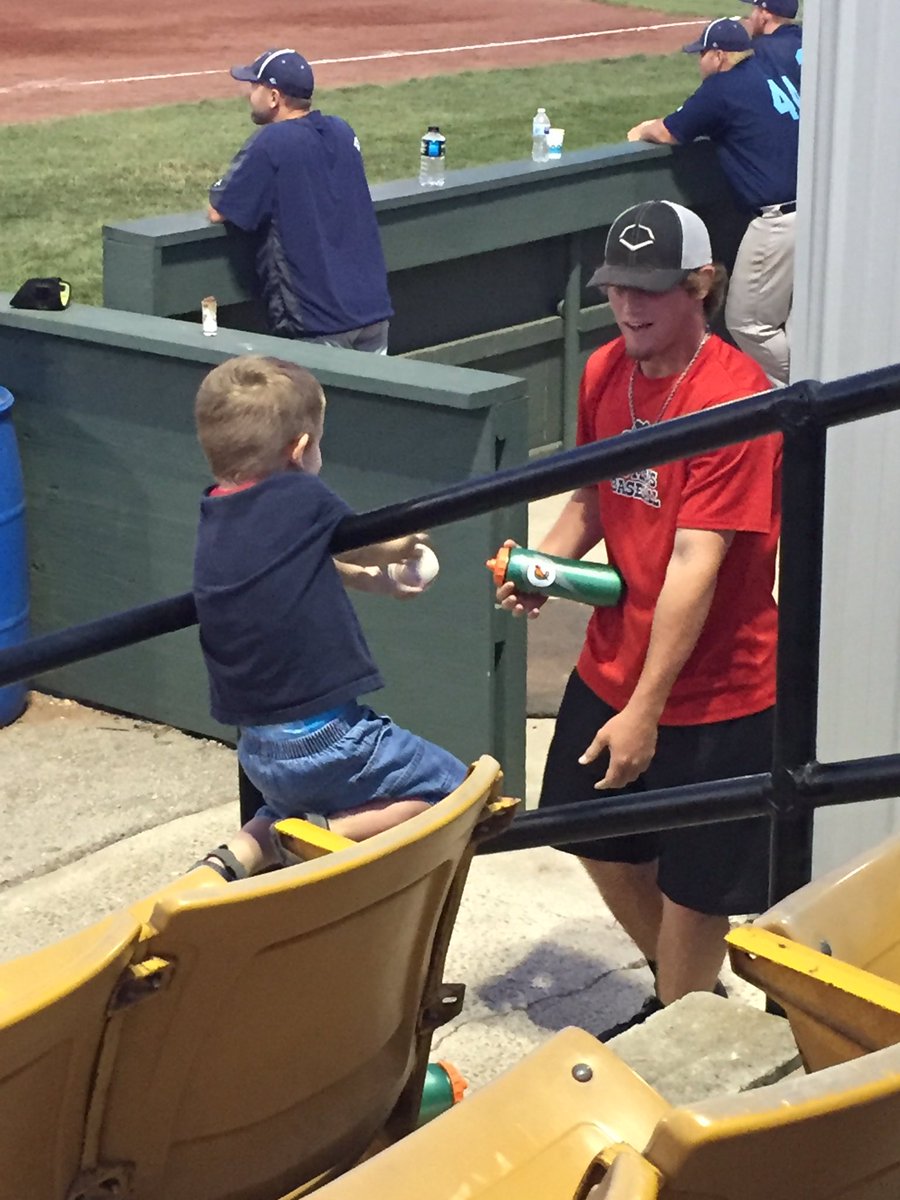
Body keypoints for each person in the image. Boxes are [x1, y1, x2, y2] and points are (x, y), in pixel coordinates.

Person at [496, 200, 781, 1037]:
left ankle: (678, 1030)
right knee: (588, 834)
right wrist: (545, 565)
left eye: (649, 290)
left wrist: (645, 711)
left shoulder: (736, 401)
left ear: (702, 285)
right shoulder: (603, 374)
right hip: (612, 659)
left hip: (719, 692)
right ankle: (686, 1007)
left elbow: (698, 561)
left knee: (698, 894)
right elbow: (592, 493)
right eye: (617, 287)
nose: (628, 307)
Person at [191, 354, 466, 880]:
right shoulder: (302, 493)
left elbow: (306, 565)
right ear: (300, 450)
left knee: (290, 798)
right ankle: (313, 837)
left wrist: (375, 583)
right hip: (332, 741)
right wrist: (409, 542)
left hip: (259, 749)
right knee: (455, 791)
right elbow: (371, 542)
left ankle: (244, 849)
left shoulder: (217, 510)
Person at [627, 18, 799, 388]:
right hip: (814, 211)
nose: (699, 62)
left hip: (778, 222)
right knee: (796, 316)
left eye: (702, 54)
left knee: (748, 322)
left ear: (719, 56)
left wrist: (640, 130)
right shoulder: (768, 72)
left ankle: (806, 392)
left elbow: (669, 130)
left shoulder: (721, 88)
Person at [208, 49, 392, 353]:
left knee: (310, 402)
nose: (249, 94)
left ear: (274, 97)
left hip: (320, 321)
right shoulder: (342, 130)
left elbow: (221, 210)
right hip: (372, 311)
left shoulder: (272, 142)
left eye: (255, 86)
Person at [740, 0, 802, 88]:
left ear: (765, 14)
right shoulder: (805, 39)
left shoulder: (759, 48)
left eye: (755, 9)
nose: (751, 16)